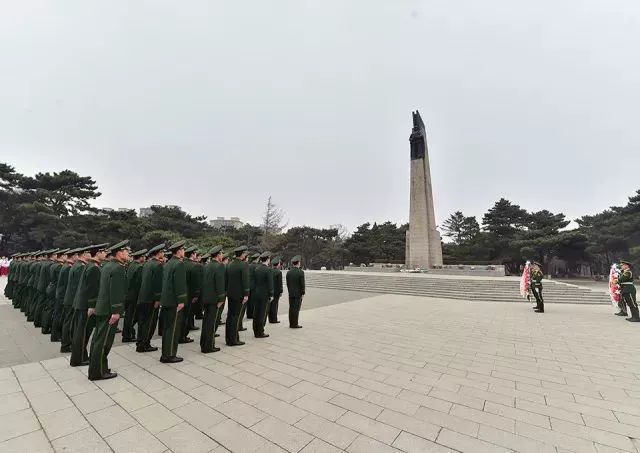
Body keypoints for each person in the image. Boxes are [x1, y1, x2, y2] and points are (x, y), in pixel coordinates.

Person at [88, 240, 129, 381]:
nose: (127, 254)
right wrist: (116, 311)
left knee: (98, 340)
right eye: (125, 251)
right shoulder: (117, 268)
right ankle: (98, 372)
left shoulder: (107, 266)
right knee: (104, 342)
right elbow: (116, 291)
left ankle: (99, 368)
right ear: (119, 253)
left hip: (103, 307)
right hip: (108, 310)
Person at [71, 244, 108, 367]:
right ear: (97, 253)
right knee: (82, 333)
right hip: (86, 306)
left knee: (81, 332)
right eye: (103, 251)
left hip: (82, 304)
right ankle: (79, 358)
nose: (105, 254)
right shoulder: (94, 268)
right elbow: (92, 289)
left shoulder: (90, 265)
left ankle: (80, 357)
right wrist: (92, 306)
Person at [160, 240, 188, 363]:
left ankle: (165, 353)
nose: (184, 252)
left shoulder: (168, 264)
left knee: (167, 328)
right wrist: (181, 300)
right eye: (183, 250)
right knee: (173, 328)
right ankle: (170, 354)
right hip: (174, 302)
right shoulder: (179, 264)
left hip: (166, 300)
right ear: (179, 251)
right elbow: (179, 284)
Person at [136, 243, 165, 353]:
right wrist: (158, 298)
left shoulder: (147, 264)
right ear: (158, 253)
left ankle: (139, 343)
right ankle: (145, 344)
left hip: (143, 297)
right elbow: (158, 283)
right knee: (150, 322)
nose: (163, 253)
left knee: (142, 322)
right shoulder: (158, 265)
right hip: (151, 298)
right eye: (162, 252)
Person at [61, 247, 88, 353]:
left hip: (70, 297)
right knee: (70, 322)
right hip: (72, 299)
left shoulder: (75, 266)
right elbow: (78, 286)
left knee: (68, 321)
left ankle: (66, 344)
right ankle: (66, 344)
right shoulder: (79, 267)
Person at [200, 246, 225, 353]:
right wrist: (221, 298)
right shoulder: (219, 266)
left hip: (206, 298)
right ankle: (209, 346)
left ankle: (203, 344)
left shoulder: (206, 266)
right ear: (218, 255)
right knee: (212, 323)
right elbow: (220, 283)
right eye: (221, 254)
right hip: (214, 299)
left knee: (206, 323)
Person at [226, 246, 250, 346]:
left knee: (230, 316)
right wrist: (246, 294)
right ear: (242, 254)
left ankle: (228, 338)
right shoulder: (243, 265)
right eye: (244, 253)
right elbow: (245, 281)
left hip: (230, 294)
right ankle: (233, 339)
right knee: (236, 317)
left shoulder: (230, 264)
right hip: (239, 294)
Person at [41, 249, 69, 335]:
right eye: (65, 255)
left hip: (51, 288)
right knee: (53, 310)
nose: (66, 257)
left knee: (48, 309)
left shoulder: (54, 265)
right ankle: (48, 329)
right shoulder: (59, 266)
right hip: (54, 289)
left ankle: (45, 327)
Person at [51, 249, 76, 342]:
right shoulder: (67, 268)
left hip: (60, 293)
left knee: (59, 315)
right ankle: (57, 336)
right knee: (60, 316)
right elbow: (67, 284)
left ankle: (56, 335)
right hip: (62, 295)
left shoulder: (64, 266)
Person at [123, 249, 147, 343]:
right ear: (140, 257)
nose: (144, 258)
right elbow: (139, 284)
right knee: (132, 316)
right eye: (143, 256)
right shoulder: (139, 267)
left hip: (128, 294)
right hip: (134, 295)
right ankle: (128, 335)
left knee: (129, 316)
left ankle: (126, 334)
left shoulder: (131, 265)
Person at [179, 245, 200, 344]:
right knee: (186, 316)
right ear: (192, 254)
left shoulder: (182, 263)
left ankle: (180, 334)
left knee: (182, 316)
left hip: (182, 293)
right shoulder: (193, 265)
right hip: (189, 294)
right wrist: (196, 295)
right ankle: (183, 335)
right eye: (195, 253)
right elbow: (195, 282)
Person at [253, 251, 274, 338]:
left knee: (256, 312)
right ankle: (260, 332)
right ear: (268, 259)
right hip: (264, 294)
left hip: (257, 293)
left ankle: (255, 330)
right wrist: (271, 294)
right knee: (262, 313)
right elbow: (270, 284)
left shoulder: (257, 268)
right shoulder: (268, 269)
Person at [286, 255, 305, 328]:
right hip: (298, 294)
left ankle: (291, 323)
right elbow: (302, 284)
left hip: (291, 293)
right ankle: (295, 324)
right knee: (296, 309)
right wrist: (303, 292)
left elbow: (288, 284)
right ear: (298, 263)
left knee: (291, 308)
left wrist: (289, 290)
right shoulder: (301, 272)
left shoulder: (289, 272)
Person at [269, 257, 283, 324]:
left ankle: (270, 318)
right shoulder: (278, 272)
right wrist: (281, 291)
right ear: (278, 264)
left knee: (271, 305)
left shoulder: (270, 271)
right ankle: (274, 319)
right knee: (275, 305)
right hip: (276, 291)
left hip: (270, 290)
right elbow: (280, 283)